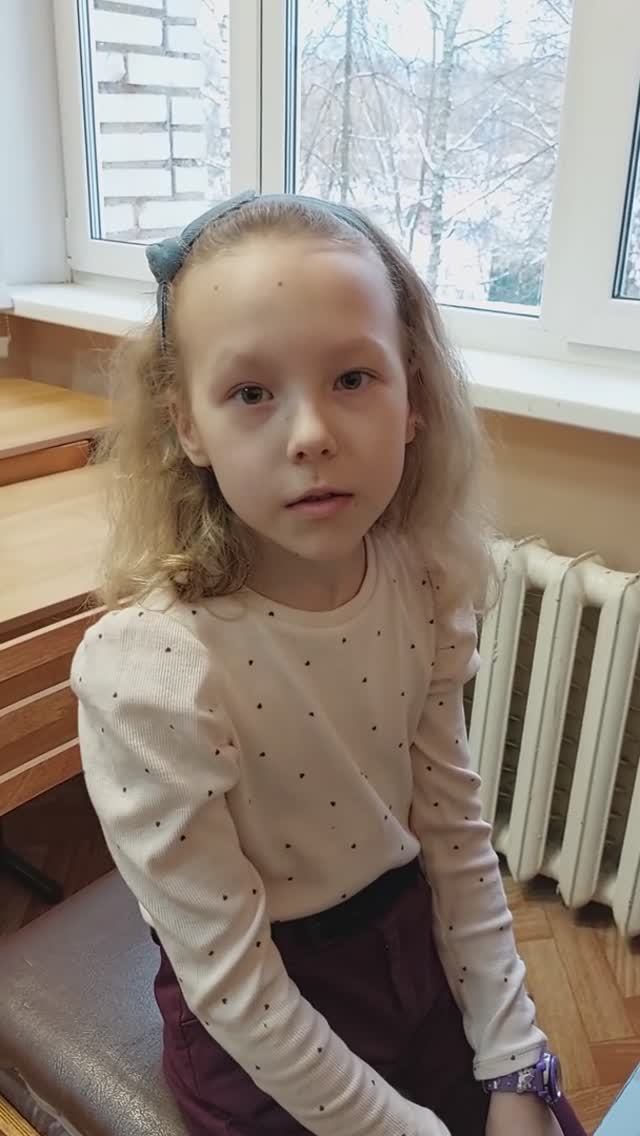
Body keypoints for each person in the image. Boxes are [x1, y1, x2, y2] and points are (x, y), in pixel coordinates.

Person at [71, 191, 587, 1136]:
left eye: (352, 377)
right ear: (188, 427)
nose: (310, 432)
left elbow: (454, 832)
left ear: (412, 400)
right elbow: (232, 980)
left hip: (412, 940)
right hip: (261, 1016)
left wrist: (514, 1059)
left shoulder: (423, 584)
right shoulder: (152, 669)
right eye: (252, 393)